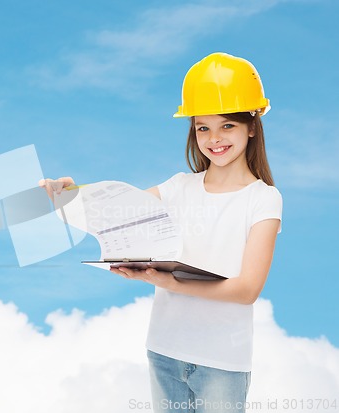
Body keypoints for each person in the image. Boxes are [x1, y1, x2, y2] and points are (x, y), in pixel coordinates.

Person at [40, 52, 282, 412]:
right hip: (165, 350)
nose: (214, 138)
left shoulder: (263, 199)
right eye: (203, 127)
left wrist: (172, 283)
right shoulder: (178, 188)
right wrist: (69, 194)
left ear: (251, 124)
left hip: (222, 361)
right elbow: (114, 212)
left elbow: (247, 290)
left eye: (226, 125)